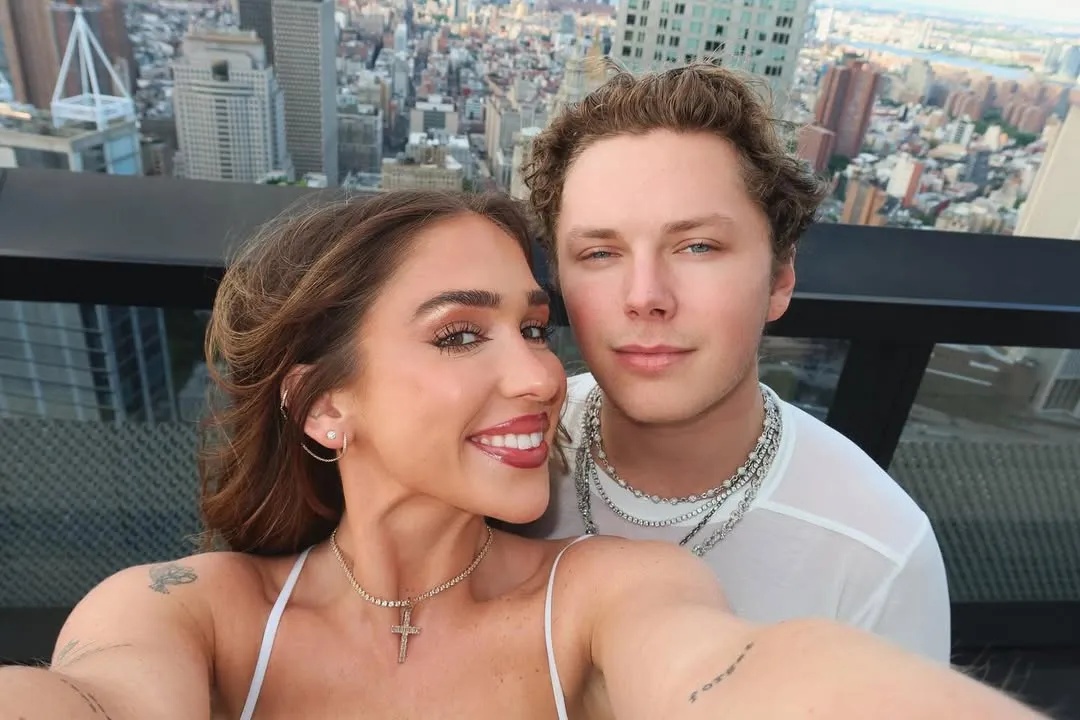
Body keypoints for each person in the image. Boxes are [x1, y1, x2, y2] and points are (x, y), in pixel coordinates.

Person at [0, 190, 1040, 719]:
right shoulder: (191, 612)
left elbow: (724, 674)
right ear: (323, 407)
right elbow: (92, 698)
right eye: (461, 335)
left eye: (534, 328)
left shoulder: (602, 593)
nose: (543, 376)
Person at [519, 62, 952, 663]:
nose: (645, 296)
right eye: (599, 253)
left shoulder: (874, 553)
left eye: (698, 246)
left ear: (780, 278)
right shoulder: (501, 451)